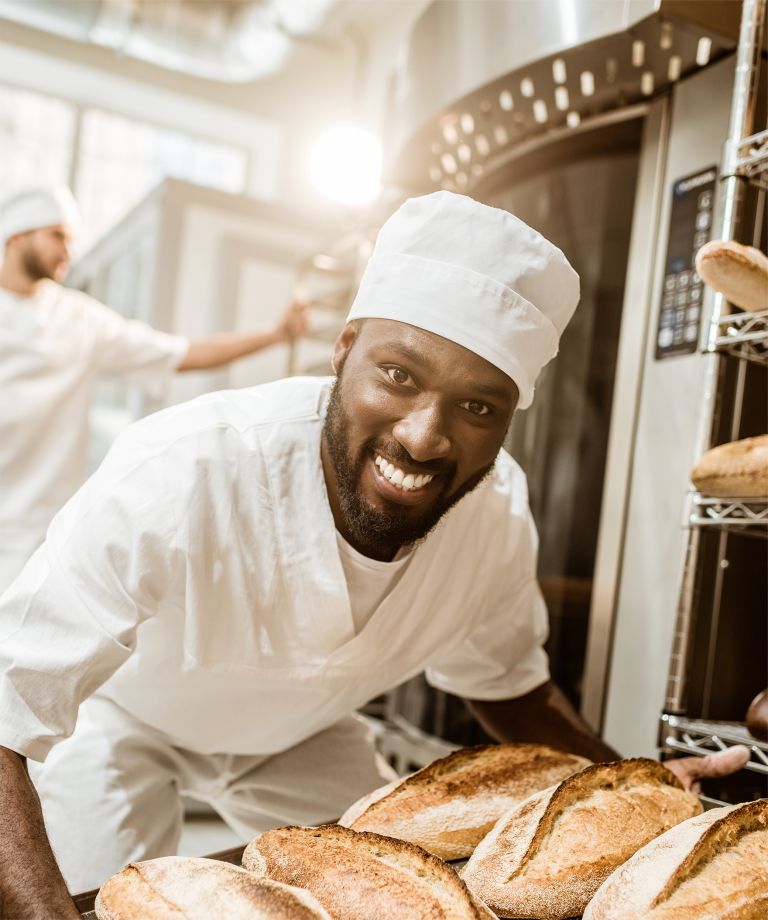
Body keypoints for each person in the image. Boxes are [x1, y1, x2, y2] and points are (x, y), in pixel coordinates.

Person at [0, 191, 746, 917]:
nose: (423, 438)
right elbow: (6, 708)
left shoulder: (493, 520)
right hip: (121, 721)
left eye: (477, 406)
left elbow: (507, 686)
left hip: (299, 737)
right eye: (399, 376)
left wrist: (637, 783)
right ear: (344, 348)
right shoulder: (186, 468)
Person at [0, 185, 308, 594]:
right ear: (18, 235)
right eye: (57, 235)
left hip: (40, 538)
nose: (68, 250)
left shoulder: (78, 319)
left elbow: (182, 353)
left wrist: (275, 334)